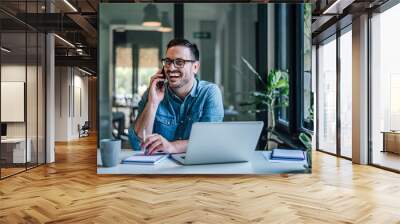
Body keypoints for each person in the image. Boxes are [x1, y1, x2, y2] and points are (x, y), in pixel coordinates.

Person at [128, 38, 224, 155]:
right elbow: (137, 145)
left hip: (196, 168)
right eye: (168, 61)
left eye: (179, 62)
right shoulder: (153, 92)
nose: (171, 68)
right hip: (157, 169)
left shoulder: (209, 92)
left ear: (195, 67)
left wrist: (172, 147)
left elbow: (209, 141)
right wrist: (153, 103)